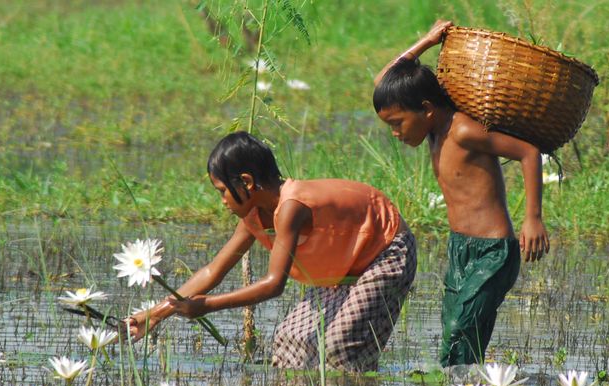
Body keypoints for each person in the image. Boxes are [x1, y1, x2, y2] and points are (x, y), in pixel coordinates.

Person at [124, 131, 417, 371]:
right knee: (291, 339)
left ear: (247, 182)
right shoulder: (254, 215)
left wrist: (208, 306)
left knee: (340, 347)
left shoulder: (291, 207)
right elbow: (214, 270)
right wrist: (152, 316)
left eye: (222, 191)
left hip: (386, 251)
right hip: (345, 265)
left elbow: (274, 284)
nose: (223, 201)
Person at [373, 20, 550, 367]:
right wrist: (425, 41)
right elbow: (383, 81)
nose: (395, 132)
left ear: (426, 109)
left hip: (493, 252)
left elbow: (529, 152)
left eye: (397, 123)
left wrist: (533, 218)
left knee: (459, 331)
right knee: (461, 341)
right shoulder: (432, 131)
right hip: (460, 249)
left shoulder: (463, 130)